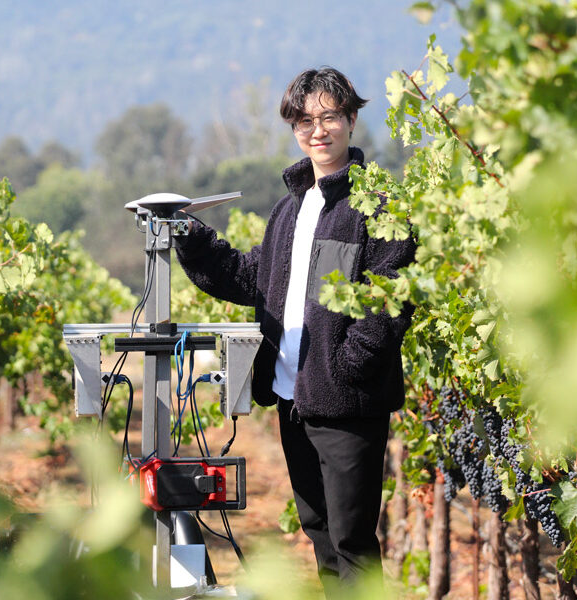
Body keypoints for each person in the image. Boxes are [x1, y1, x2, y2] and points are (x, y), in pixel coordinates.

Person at [175, 67, 415, 588]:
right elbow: (251, 279)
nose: (317, 130)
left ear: (352, 120)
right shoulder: (290, 210)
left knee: (353, 542)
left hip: (347, 405)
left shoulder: (374, 204)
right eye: (305, 120)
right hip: (292, 399)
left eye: (329, 116)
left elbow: (389, 296)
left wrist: (346, 368)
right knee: (321, 533)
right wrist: (191, 237)